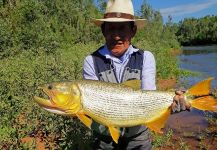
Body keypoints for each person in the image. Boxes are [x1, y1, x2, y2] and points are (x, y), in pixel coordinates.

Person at [82, 0, 190, 149]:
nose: (116, 35)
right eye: (111, 28)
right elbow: (90, 105)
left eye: (122, 28)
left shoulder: (146, 57)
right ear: (103, 30)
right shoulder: (91, 61)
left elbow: (149, 96)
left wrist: (173, 101)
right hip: (104, 138)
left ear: (133, 30)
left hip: (138, 137)